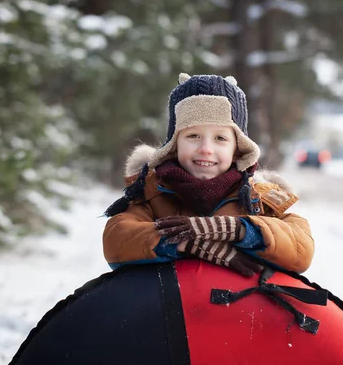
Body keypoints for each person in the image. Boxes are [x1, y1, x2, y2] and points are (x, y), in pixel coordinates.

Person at [102, 72, 314, 276]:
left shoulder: (257, 198)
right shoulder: (152, 192)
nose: (205, 149)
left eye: (220, 139)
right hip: (170, 307)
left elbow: (301, 248)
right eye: (193, 136)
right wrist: (189, 242)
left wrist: (235, 229)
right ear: (174, 146)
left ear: (237, 150)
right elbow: (117, 238)